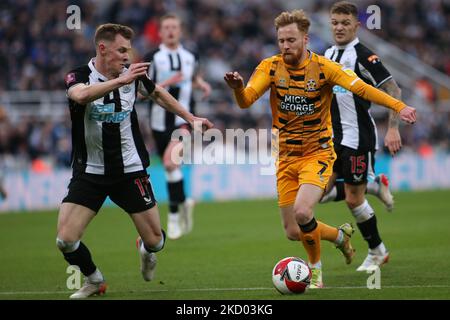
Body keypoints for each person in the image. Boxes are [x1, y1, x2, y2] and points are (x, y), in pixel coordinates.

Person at [224, 9, 416, 288]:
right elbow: (246, 100)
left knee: (304, 212)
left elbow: (363, 89)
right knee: (292, 231)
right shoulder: (270, 67)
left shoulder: (324, 67)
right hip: (286, 157)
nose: (286, 46)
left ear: (305, 39)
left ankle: (316, 272)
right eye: (281, 41)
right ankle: (340, 236)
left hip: (318, 153)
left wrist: (400, 107)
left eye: (291, 40)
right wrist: (238, 89)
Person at [57, 23, 213, 299]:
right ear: (102, 49)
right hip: (90, 173)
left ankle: (145, 248)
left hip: (130, 172)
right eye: (121, 50)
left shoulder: (133, 75)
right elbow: (79, 96)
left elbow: (157, 93)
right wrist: (121, 81)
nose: (127, 56)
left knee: (155, 242)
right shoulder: (79, 76)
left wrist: (190, 118)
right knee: (66, 240)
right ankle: (94, 279)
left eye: (128, 50)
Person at [319, 1, 403, 271]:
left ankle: (378, 250)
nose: (339, 27)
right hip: (333, 140)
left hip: (358, 138)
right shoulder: (328, 54)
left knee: (354, 199)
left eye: (345, 23)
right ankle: (374, 185)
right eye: (335, 23)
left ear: (356, 25)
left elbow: (394, 90)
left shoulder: (364, 56)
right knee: (318, 194)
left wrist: (393, 128)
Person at [143, 14, 212, 240]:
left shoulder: (191, 55)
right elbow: (141, 93)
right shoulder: (152, 58)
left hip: (183, 121)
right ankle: (183, 202)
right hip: (158, 122)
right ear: (160, 32)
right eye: (166, 28)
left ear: (180, 31)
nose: (171, 31)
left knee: (170, 163)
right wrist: (165, 84)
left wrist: (200, 83)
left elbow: (191, 78)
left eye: (174, 27)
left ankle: (173, 216)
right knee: (172, 168)